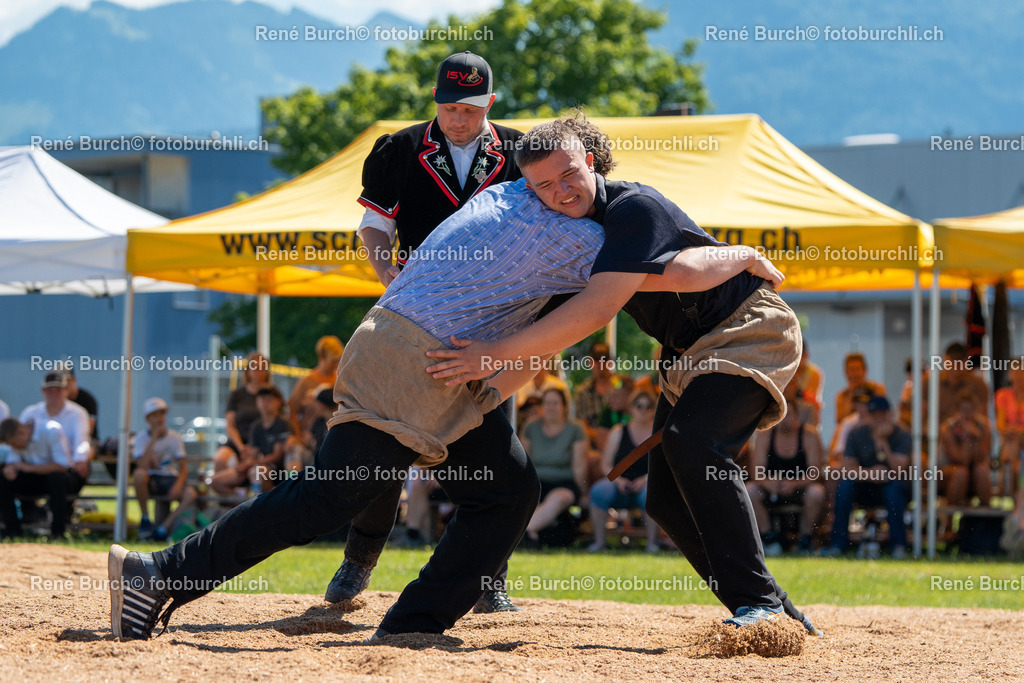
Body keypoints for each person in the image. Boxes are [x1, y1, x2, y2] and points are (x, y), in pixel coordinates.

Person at [425, 115, 821, 634]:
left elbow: (593, 313)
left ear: (589, 160)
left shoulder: (634, 207)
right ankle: (774, 611)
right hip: (687, 354)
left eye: (568, 174)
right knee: (663, 499)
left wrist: (489, 352)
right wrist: (479, 395)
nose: (561, 191)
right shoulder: (567, 239)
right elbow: (546, 342)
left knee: (693, 445)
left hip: (747, 329)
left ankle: (759, 605)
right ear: (530, 190)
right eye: (544, 185)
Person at [324, 49, 527, 613]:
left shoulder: (521, 150)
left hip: (491, 320)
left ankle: (490, 578)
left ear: (490, 103)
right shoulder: (397, 148)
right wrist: (386, 274)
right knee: (382, 442)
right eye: (446, 106)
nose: (456, 118)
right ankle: (360, 560)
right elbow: (374, 224)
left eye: (467, 108)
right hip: (414, 313)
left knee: (492, 451)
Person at [826, 396, 911, 558]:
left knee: (894, 489)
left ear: (890, 415)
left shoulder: (902, 436)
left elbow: (899, 469)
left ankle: (898, 545)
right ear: (868, 416)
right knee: (844, 486)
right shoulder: (857, 434)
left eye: (882, 415)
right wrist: (869, 474)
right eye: (874, 415)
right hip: (864, 485)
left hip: (892, 486)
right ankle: (838, 544)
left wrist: (883, 442)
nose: (879, 419)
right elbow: (846, 468)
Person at [746, 399, 826, 555]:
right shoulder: (764, 435)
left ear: (797, 417)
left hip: (801, 487)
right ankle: (769, 539)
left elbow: (816, 472)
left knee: (817, 492)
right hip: (771, 488)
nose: (785, 419)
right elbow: (756, 472)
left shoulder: (810, 435)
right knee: (750, 491)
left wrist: (794, 484)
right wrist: (768, 483)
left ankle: (805, 540)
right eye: (781, 415)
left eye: (789, 415)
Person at [588, 389, 660, 553]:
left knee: (653, 493)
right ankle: (599, 543)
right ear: (631, 408)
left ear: (654, 410)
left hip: (646, 484)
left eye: (648, 406)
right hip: (619, 484)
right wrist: (618, 480)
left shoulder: (657, 435)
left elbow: (663, 468)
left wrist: (646, 479)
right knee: (598, 491)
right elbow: (605, 465)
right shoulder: (618, 431)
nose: (643, 410)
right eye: (639, 405)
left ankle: (652, 544)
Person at [519, 387, 588, 547]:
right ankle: (530, 534)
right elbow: (523, 461)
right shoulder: (531, 427)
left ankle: (522, 532)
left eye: (555, 403)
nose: (551, 407)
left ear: (564, 406)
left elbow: (579, 465)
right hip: (536, 482)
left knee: (559, 499)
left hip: (564, 482)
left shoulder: (576, 429)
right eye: (547, 403)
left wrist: (584, 492)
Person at [133, 398, 197, 541]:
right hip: (151, 479)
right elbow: (141, 466)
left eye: (162, 414)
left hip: (169, 478)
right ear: (147, 419)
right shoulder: (141, 438)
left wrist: (178, 485)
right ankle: (145, 519)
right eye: (155, 415)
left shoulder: (175, 437)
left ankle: (163, 528)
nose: (159, 419)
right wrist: (154, 438)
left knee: (190, 494)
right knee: (138, 475)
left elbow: (183, 468)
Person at [0, 416, 74, 539]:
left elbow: (62, 465)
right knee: (3, 480)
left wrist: (28, 468)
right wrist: (9, 470)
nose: (13, 447)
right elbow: (13, 463)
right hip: (34, 480)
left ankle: (58, 532)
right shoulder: (17, 444)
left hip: (59, 478)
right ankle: (12, 532)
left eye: (14, 443)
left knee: (56, 479)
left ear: (21, 432)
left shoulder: (51, 430)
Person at [211, 386, 291, 496]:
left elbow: (277, 456)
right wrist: (244, 465)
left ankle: (267, 507)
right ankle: (242, 507)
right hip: (255, 467)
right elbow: (253, 454)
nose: (265, 403)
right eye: (262, 399)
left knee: (257, 472)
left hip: (275, 471)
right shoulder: (256, 426)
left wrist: (251, 463)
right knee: (216, 481)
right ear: (257, 402)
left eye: (269, 399)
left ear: (278, 402)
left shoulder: (283, 424)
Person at [20, 371, 91, 486]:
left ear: (66, 391)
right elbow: (18, 439)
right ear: (43, 392)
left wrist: (80, 458)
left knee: (57, 479)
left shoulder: (78, 413)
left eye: (58, 390)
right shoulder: (30, 413)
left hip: (65, 469)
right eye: (49, 390)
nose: (54, 394)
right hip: (35, 466)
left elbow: (81, 440)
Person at [213, 352, 271, 475]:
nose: (258, 372)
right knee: (220, 460)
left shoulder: (272, 395)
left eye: (261, 368)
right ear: (248, 371)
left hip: (262, 445)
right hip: (237, 443)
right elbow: (230, 425)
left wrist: (253, 449)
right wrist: (241, 447)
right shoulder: (237, 395)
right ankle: (230, 492)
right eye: (254, 367)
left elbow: (275, 423)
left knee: (257, 471)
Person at [939, 390, 992, 507]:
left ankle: (985, 518)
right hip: (948, 472)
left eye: (970, 410)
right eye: (964, 410)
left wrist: (977, 437)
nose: (967, 415)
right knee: (961, 473)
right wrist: (968, 437)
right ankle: (949, 521)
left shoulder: (983, 426)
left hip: (974, 472)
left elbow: (983, 457)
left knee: (981, 470)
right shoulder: (947, 429)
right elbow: (961, 460)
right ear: (956, 411)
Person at [288, 336, 344, 442]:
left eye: (338, 360)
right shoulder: (306, 381)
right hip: (310, 437)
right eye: (332, 361)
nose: (336, 364)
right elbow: (292, 411)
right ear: (321, 357)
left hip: (334, 436)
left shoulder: (340, 380)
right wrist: (299, 438)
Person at [994, 360, 1024, 496]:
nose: (1018, 376)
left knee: (1014, 440)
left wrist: (1018, 431)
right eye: (1015, 372)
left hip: (1018, 437)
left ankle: (1005, 484)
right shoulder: (1002, 395)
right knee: (1012, 442)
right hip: (1010, 439)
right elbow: (1000, 423)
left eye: (1021, 372)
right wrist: (1010, 430)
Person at [834, 352, 887, 424]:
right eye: (851, 370)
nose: (855, 374)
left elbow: (883, 414)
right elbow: (840, 423)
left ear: (865, 370)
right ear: (846, 373)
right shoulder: (841, 396)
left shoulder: (877, 389)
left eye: (858, 369)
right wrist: (851, 395)